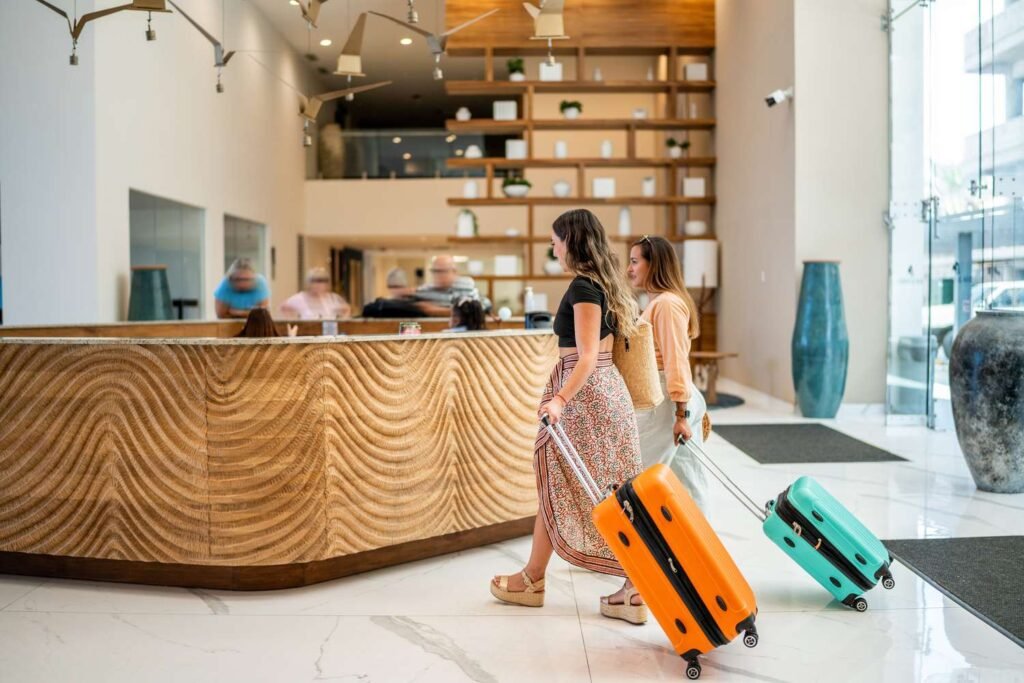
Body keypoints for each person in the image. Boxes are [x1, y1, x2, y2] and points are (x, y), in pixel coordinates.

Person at [489, 208, 648, 625]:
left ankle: (633, 585)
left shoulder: (584, 286)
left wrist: (559, 398)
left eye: (556, 241)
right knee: (571, 485)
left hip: (586, 397)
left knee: (584, 488)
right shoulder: (604, 283)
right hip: (604, 393)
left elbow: (587, 356)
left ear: (571, 242)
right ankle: (535, 578)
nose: (553, 249)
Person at [627, 235, 708, 509]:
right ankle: (698, 534)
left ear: (654, 264)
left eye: (635, 261)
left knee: (638, 476)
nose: (629, 269)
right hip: (673, 399)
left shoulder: (666, 305)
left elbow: (676, 361)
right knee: (688, 482)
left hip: (667, 401)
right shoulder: (661, 303)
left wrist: (680, 414)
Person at [414, 255, 491, 316]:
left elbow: (484, 306)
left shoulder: (467, 288)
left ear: (454, 271)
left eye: (442, 271)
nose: (438, 275)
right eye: (434, 271)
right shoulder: (425, 290)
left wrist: (439, 311)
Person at [279, 267, 351, 320]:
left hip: (329, 334)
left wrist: (341, 325)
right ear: (309, 283)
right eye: (314, 281)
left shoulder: (332, 298)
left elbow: (346, 309)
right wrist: (293, 323)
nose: (318, 285)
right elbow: (283, 307)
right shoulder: (300, 298)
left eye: (322, 281)